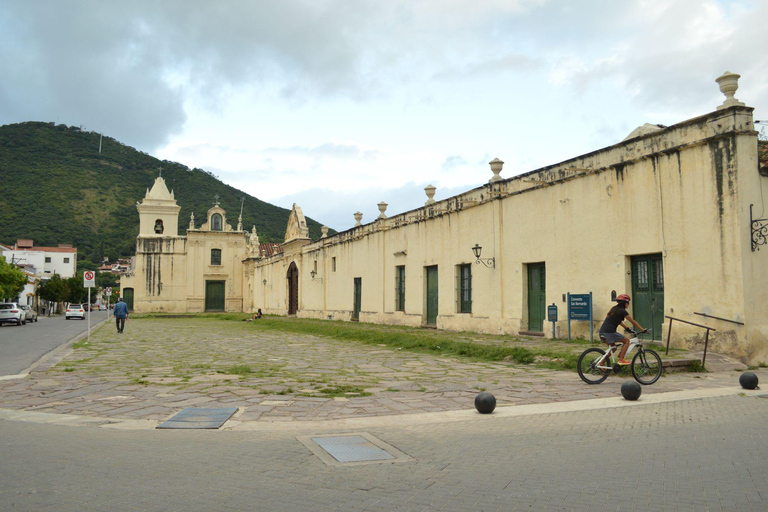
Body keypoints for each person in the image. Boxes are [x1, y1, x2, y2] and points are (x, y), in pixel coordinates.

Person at [599, 294, 646, 365]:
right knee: (626, 341)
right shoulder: (623, 311)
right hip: (609, 332)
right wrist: (643, 330)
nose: (628, 305)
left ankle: (601, 362)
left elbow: (618, 321)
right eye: (628, 303)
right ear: (625, 303)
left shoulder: (614, 309)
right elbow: (633, 322)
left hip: (602, 332)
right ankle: (621, 359)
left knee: (613, 348)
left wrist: (626, 328)